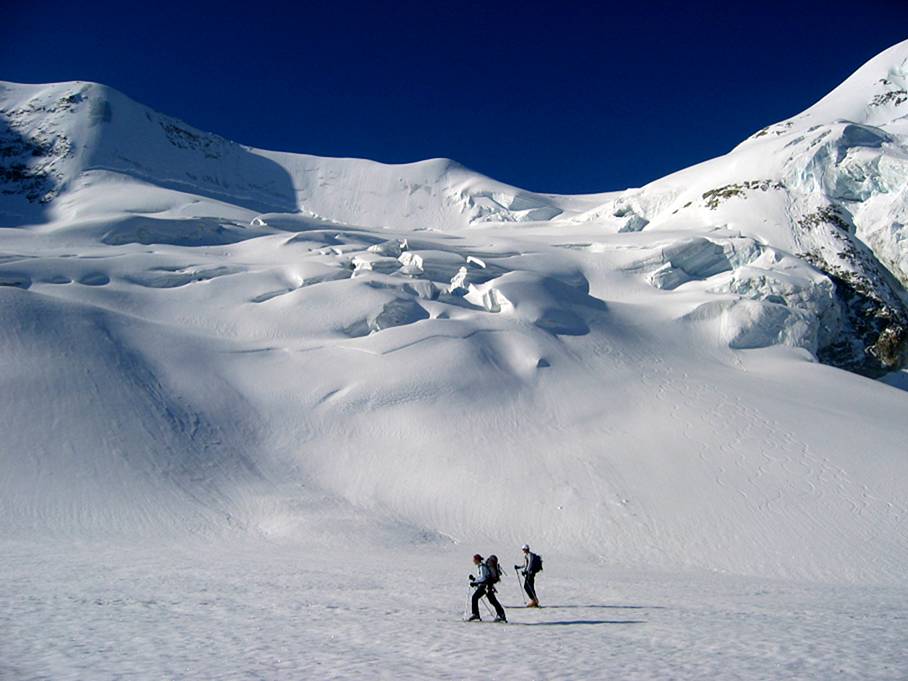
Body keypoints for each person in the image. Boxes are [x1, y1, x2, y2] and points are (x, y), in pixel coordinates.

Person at [467, 553, 507, 622]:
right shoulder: (481, 566)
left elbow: (483, 578)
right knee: (492, 600)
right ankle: (501, 614)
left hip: (485, 586)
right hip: (487, 585)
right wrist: (474, 579)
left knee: (475, 597)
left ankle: (476, 614)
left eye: (474, 559)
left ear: (477, 560)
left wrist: (475, 582)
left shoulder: (482, 567)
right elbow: (482, 577)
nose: (473, 561)